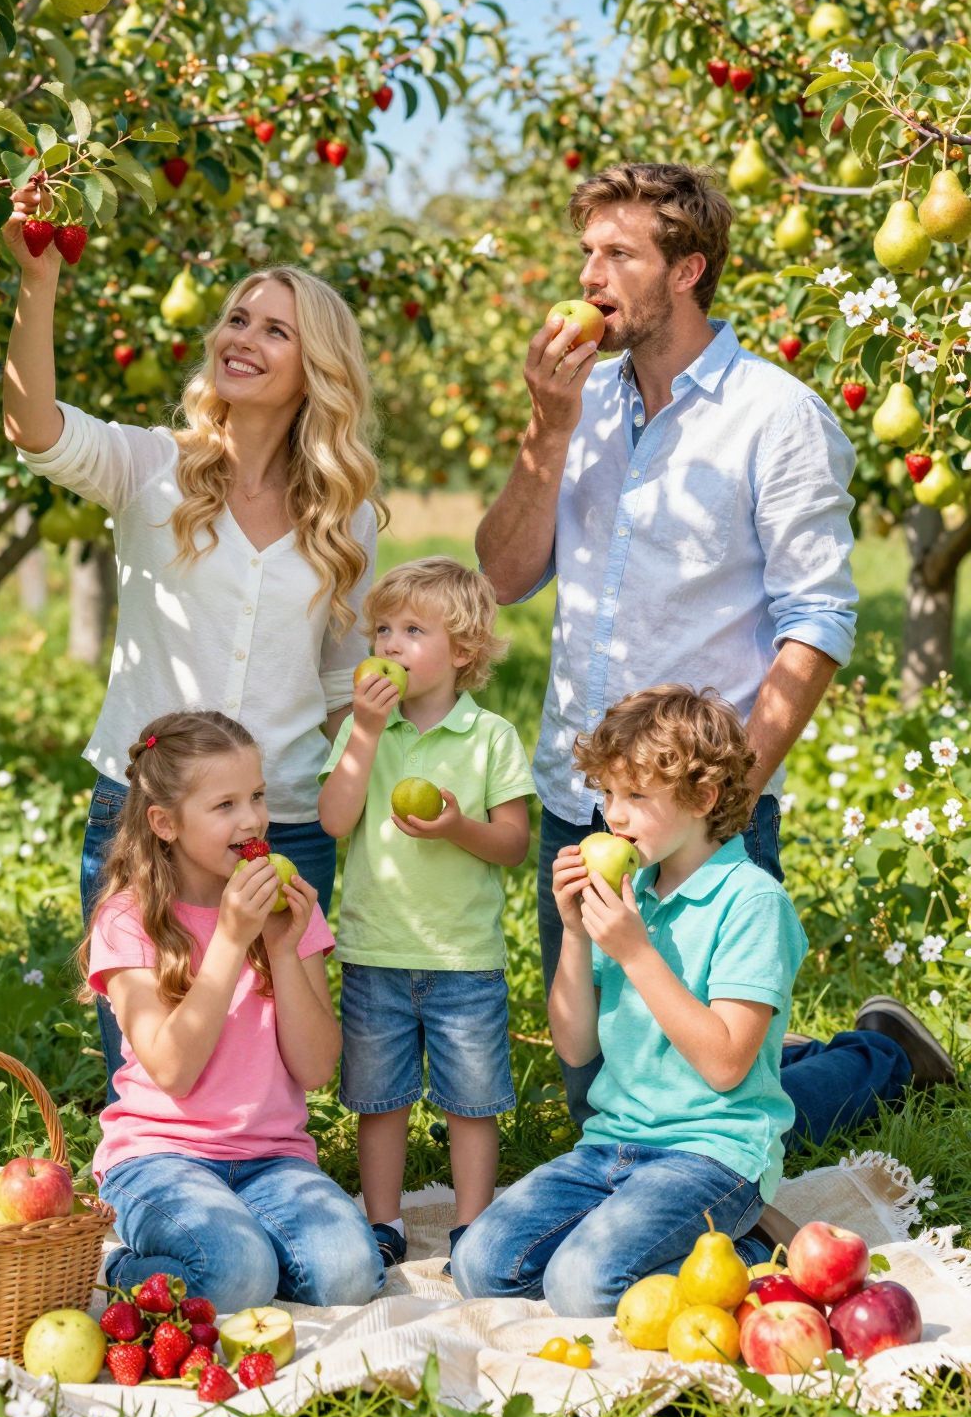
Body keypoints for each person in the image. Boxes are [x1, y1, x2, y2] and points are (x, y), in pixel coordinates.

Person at [475, 159, 951, 1138]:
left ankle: (884, 1060)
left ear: (688, 269)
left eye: (619, 253)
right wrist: (545, 426)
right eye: (586, 253)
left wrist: (725, 794)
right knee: (602, 1088)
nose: (591, 274)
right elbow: (504, 574)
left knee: (710, 1112)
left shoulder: (775, 418)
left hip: (701, 808)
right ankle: (814, 1055)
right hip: (583, 797)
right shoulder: (584, 407)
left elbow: (816, 621)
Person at [2, 195, 382, 1092]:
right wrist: (38, 279)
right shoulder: (148, 468)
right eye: (236, 319)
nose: (240, 337)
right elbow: (34, 427)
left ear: (315, 368)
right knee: (150, 1068)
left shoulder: (346, 515)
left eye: (275, 330)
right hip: (152, 817)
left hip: (278, 818)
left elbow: (339, 688)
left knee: (272, 1077)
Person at [453, 687, 808, 1316]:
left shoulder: (751, 903)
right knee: (479, 1265)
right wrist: (572, 930)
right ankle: (706, 1239)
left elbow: (726, 1064)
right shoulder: (630, 892)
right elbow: (576, 1046)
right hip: (611, 1140)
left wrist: (636, 952)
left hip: (711, 1151)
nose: (613, 817)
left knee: (582, 1285)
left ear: (703, 798)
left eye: (637, 797)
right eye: (608, 795)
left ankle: (748, 1249)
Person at [81, 709, 383, 1309]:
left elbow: (317, 1066)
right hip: (160, 1158)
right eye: (224, 806)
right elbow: (173, 1069)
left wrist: (277, 943)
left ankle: (243, 1253)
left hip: (273, 1158)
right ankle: (121, 1266)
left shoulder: (284, 910)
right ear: (164, 823)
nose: (251, 819)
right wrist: (229, 939)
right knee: (238, 1274)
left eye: (258, 796)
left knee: (349, 1276)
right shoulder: (128, 918)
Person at [318, 558, 534, 1272]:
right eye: (382, 630)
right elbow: (333, 817)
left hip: (462, 956)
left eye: (413, 630)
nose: (389, 644)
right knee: (378, 1100)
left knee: (472, 1102)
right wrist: (367, 736)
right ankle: (383, 1222)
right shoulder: (362, 731)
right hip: (375, 950)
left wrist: (455, 828)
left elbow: (512, 842)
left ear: (463, 651)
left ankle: (472, 1226)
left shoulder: (491, 737)